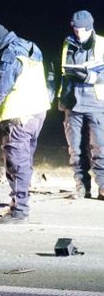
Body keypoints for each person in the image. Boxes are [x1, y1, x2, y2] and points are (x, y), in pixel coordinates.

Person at [0, 23, 51, 223]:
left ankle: (19, 211)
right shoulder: (31, 47)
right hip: (37, 112)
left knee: (16, 164)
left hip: (19, 116)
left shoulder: (9, 56)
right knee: (25, 161)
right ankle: (21, 204)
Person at [58, 10, 104, 200]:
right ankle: (81, 187)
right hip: (72, 104)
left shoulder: (101, 44)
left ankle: (102, 187)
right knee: (75, 149)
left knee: (100, 148)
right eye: (75, 30)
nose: (78, 33)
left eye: (81, 30)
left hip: (96, 104)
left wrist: (89, 76)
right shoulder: (68, 43)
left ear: (90, 28)